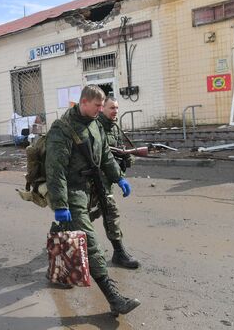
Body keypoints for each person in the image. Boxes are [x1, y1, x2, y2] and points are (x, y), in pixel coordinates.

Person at [45, 85, 140, 316]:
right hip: (73, 190)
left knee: (67, 228)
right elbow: (55, 170)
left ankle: (56, 270)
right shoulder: (62, 129)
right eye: (97, 105)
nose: (101, 110)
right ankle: (114, 298)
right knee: (89, 240)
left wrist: (119, 178)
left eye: (102, 105)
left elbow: (105, 154)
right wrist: (60, 204)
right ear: (84, 102)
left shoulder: (95, 122)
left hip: (93, 186)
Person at [96, 97, 140, 269]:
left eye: (117, 108)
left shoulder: (114, 127)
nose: (115, 111)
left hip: (108, 179)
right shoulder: (96, 127)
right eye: (111, 108)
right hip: (95, 180)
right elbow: (102, 157)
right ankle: (119, 252)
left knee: (97, 213)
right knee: (108, 212)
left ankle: (118, 252)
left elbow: (120, 150)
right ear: (102, 109)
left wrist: (128, 158)